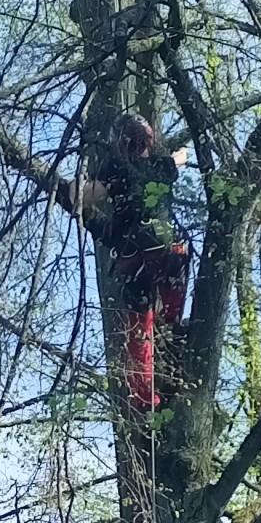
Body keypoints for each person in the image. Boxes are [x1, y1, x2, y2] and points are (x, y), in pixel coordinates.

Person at [85, 113, 191, 411]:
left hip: (136, 258)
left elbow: (87, 196)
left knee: (139, 332)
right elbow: (180, 158)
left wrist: (73, 187)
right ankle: (173, 360)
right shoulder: (163, 166)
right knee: (169, 320)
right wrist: (176, 155)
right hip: (171, 254)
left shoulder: (115, 167)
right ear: (148, 140)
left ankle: (146, 398)